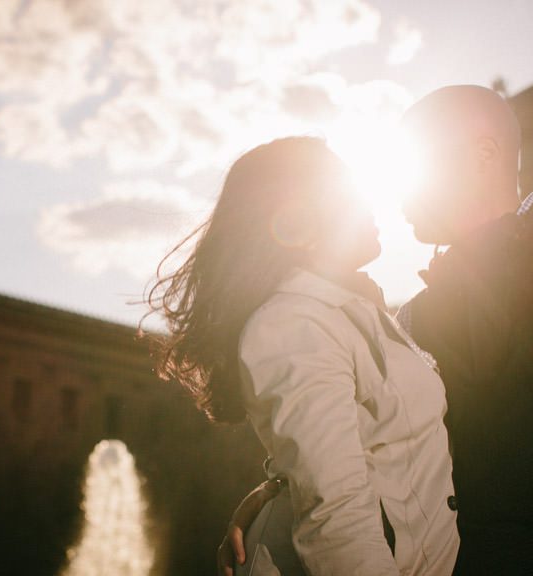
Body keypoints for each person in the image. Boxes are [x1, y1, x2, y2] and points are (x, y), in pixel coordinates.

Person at [219, 86, 533, 576]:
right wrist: (277, 496)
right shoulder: (408, 324)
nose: (398, 191)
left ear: (484, 154)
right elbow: (379, 457)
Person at [146, 136, 459, 575]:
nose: (366, 200)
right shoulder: (292, 321)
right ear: (298, 226)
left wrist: (277, 483)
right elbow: (335, 513)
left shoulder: (354, 311)